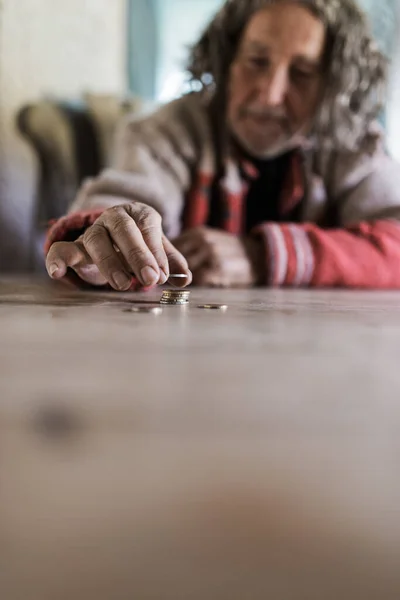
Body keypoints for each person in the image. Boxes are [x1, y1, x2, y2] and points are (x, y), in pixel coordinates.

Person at [45, 0, 400, 290]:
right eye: (257, 62)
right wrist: (103, 238)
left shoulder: (352, 142)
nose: (270, 94)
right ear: (226, 61)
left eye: (302, 74)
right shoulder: (170, 129)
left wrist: (264, 257)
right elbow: (119, 204)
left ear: (333, 86)